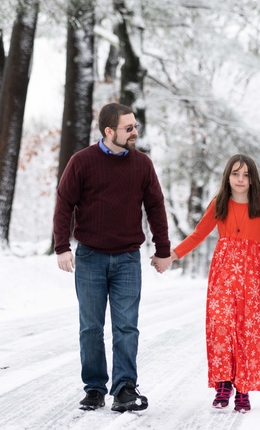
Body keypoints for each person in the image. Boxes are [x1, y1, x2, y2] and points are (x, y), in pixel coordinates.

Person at [53, 102, 172, 413]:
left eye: (134, 126)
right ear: (109, 131)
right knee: (90, 327)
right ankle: (94, 388)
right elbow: (64, 204)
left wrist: (162, 250)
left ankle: (124, 388)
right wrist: (62, 247)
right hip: (90, 257)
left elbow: (156, 207)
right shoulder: (81, 162)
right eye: (128, 127)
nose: (135, 132)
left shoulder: (142, 164)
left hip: (128, 259)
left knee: (126, 326)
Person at [153, 154, 260, 413]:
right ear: (227, 176)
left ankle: (243, 388)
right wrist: (172, 256)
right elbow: (198, 234)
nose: (240, 179)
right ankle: (223, 382)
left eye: (246, 174)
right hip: (223, 274)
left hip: (253, 275)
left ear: (253, 178)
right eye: (235, 173)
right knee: (222, 325)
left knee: (248, 329)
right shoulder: (219, 204)